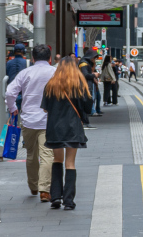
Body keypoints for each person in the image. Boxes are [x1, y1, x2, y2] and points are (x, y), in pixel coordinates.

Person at [6, 44, 58, 203]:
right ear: (50, 58)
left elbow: (9, 92)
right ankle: (44, 190)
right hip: (48, 120)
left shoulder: (25, 73)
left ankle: (34, 185)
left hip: (28, 120)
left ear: (33, 58)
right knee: (47, 155)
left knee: (31, 154)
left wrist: (13, 108)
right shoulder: (55, 72)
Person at [43, 55, 92, 210]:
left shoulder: (51, 84)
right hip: (72, 127)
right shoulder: (80, 84)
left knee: (57, 160)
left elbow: (45, 108)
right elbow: (88, 107)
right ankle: (69, 201)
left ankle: (56, 196)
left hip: (55, 128)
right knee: (70, 163)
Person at [79, 52, 102, 117]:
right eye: (94, 58)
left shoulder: (86, 62)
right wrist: (94, 75)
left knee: (92, 98)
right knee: (89, 98)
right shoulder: (84, 63)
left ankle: (91, 111)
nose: (94, 59)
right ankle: (90, 112)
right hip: (86, 84)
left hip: (88, 84)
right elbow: (85, 74)